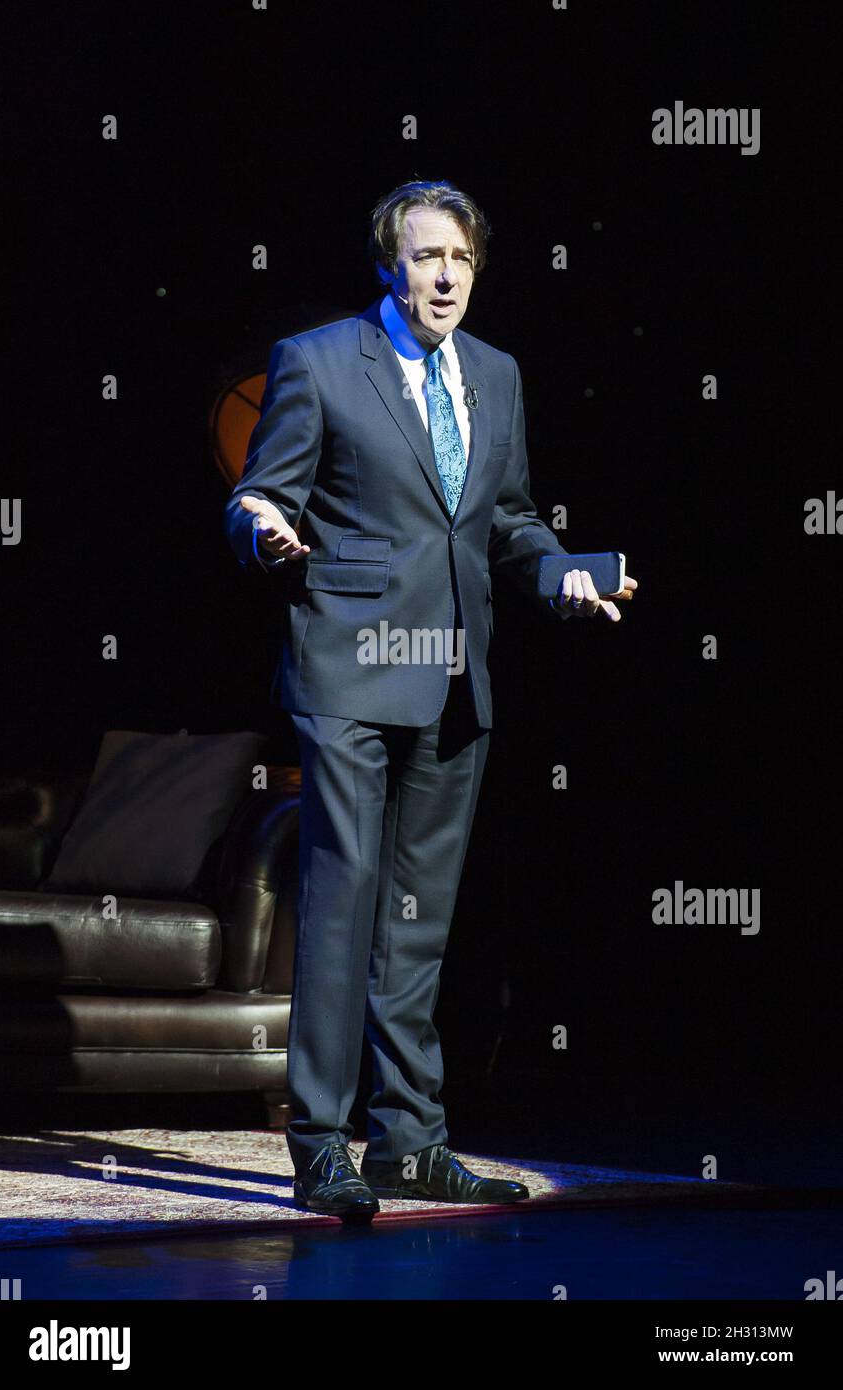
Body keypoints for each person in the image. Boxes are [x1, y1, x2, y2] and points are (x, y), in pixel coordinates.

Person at [224, 179, 638, 1223]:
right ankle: (322, 1143)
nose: (444, 275)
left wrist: (562, 580)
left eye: (459, 258)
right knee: (343, 904)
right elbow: (259, 493)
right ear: (387, 267)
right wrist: (266, 532)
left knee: (418, 923)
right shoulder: (320, 360)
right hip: (348, 666)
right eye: (424, 257)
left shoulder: (494, 375)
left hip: (456, 675)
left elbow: (509, 518)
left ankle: (411, 1142)